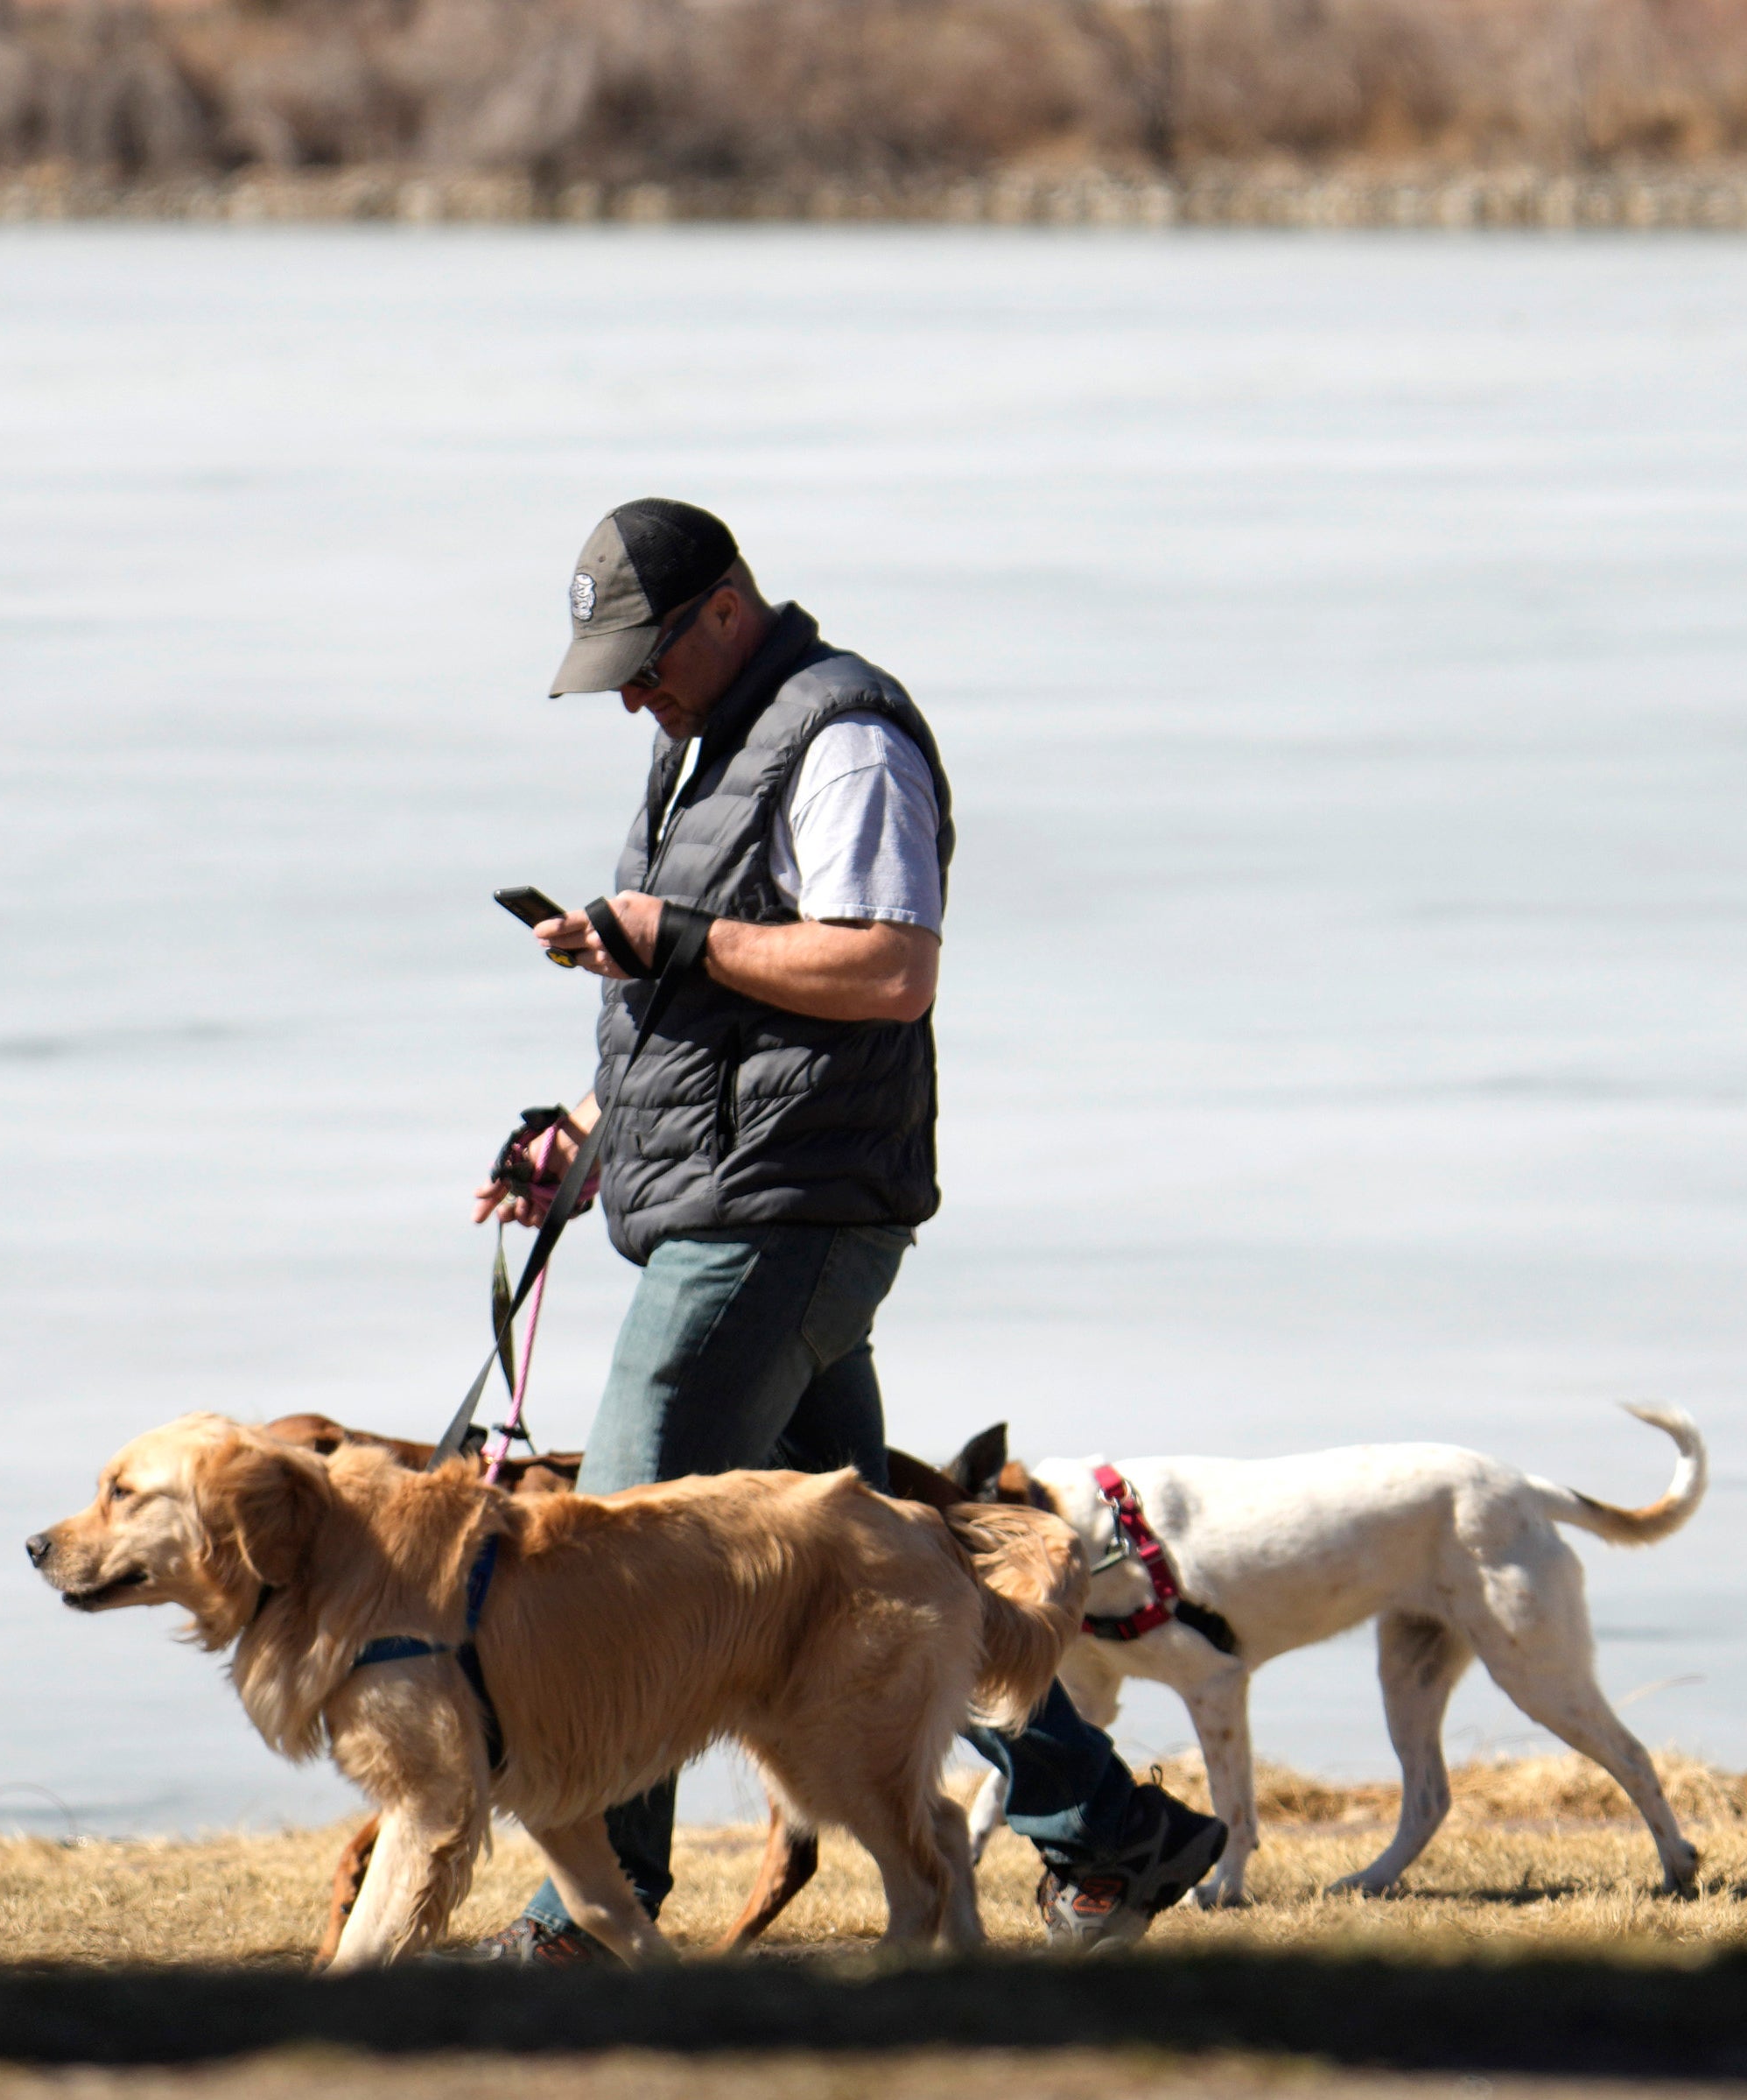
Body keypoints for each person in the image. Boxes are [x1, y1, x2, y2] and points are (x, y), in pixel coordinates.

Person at [458, 497, 1225, 1960]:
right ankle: (1112, 1834)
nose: (626, 690)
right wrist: (584, 1142)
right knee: (886, 1570)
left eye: (640, 657)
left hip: (786, 1214)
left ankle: (590, 1923)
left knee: (624, 1541)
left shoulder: (842, 735)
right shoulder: (698, 749)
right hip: (739, 1199)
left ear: (724, 610)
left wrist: (669, 934)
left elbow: (889, 968)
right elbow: (691, 1012)